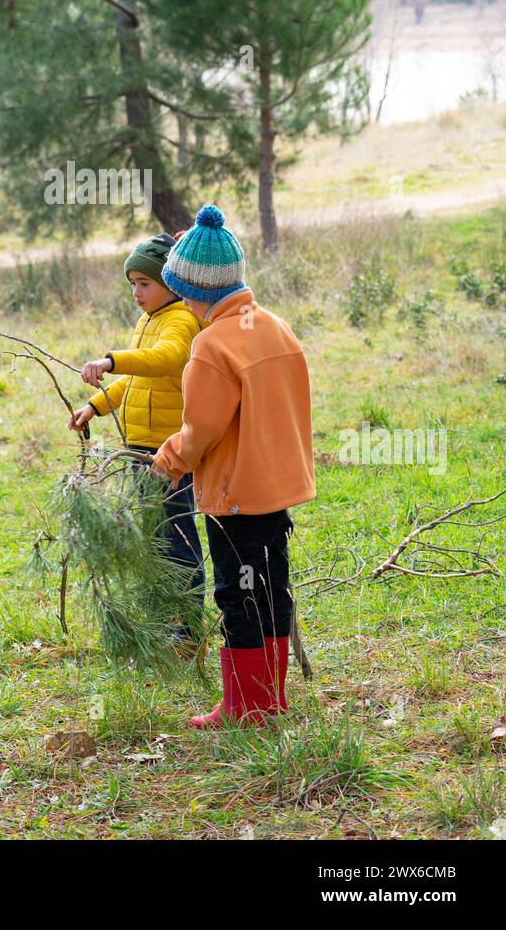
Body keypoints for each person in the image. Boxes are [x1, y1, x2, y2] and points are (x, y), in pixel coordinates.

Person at [150, 204, 315, 728]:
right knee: (271, 590)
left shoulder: (210, 345)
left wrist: (169, 458)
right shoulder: (272, 326)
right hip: (276, 490)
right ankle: (270, 700)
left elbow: (202, 430)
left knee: (237, 594)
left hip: (235, 495)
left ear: (189, 288)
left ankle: (245, 709)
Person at [67, 232, 206, 651]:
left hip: (170, 450)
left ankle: (189, 627)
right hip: (140, 448)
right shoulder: (147, 321)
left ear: (170, 282)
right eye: (131, 284)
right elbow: (136, 377)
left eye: (144, 283)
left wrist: (110, 360)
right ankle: (165, 617)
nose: (136, 293)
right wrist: (95, 405)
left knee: (176, 532)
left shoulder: (181, 319)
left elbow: (168, 359)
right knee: (154, 534)